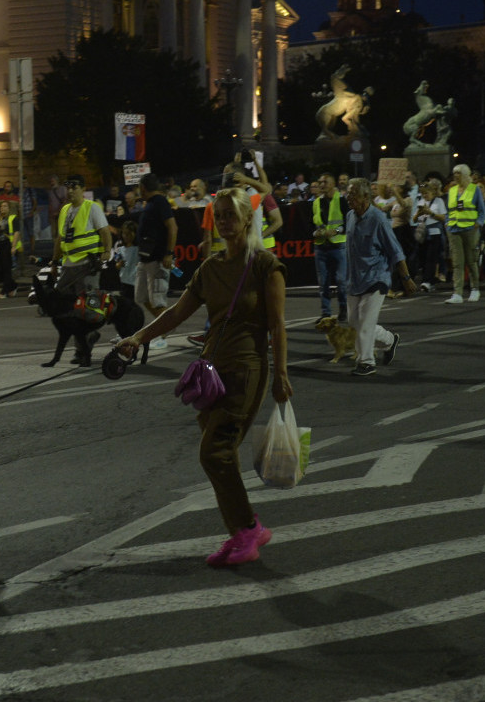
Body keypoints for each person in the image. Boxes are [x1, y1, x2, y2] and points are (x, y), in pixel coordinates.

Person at [115, 187, 290, 567]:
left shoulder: (265, 265)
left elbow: (277, 325)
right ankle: (245, 529)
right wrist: (138, 337)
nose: (224, 221)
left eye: (230, 214)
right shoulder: (210, 269)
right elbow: (177, 313)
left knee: (215, 452)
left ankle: (246, 532)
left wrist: (281, 375)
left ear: (247, 218)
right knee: (217, 455)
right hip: (211, 374)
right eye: (219, 215)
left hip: (247, 370)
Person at [343, 178, 415, 376]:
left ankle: (366, 362)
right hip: (354, 279)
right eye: (347, 194)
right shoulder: (350, 215)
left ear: (366, 197)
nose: (348, 198)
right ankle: (390, 340)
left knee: (365, 323)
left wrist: (406, 278)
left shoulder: (378, 219)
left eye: (353, 195)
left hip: (376, 278)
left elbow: (396, 251)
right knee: (354, 323)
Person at [135, 173, 177, 343]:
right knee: (142, 297)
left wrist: (168, 253)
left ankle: (164, 331)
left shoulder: (160, 202)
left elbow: (173, 228)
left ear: (143, 188)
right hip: (145, 259)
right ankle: (167, 324)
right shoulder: (151, 203)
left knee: (157, 300)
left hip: (157, 260)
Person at [53, 176, 111, 296]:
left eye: (74, 188)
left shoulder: (92, 207)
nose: (70, 191)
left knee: (87, 301)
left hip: (87, 264)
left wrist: (107, 251)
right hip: (68, 264)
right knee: (61, 299)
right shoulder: (64, 210)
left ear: (83, 189)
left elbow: (105, 231)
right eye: (68, 188)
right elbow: (60, 238)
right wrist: (54, 262)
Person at [444, 164, 485, 304]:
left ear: (465, 175)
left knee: (471, 260)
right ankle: (457, 293)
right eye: (454, 173)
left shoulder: (475, 190)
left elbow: (481, 210)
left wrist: (478, 223)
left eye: (458, 173)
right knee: (457, 262)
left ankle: (475, 289)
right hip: (454, 229)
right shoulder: (452, 190)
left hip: (470, 229)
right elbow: (449, 211)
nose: (455, 176)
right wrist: (447, 223)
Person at [311, 173, 348, 320]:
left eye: (325, 182)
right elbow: (312, 224)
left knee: (341, 281)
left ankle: (343, 308)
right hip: (321, 246)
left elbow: (348, 221)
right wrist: (316, 233)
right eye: (320, 182)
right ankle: (326, 313)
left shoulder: (341, 200)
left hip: (338, 246)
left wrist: (336, 231)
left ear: (333, 184)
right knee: (323, 283)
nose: (321, 185)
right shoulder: (316, 202)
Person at [412, 179, 447, 291]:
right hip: (422, 234)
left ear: (432, 193)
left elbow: (443, 218)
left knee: (431, 258)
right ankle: (427, 280)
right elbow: (414, 219)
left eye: (427, 193)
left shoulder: (439, 201)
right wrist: (419, 213)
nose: (425, 195)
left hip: (434, 233)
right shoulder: (420, 202)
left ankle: (428, 281)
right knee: (422, 258)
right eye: (423, 193)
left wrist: (430, 213)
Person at [0, 200, 20, 298]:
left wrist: (13, 246)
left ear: (9, 208)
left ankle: (4, 291)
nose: (3, 208)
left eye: (5, 206)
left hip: (7, 245)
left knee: (6, 268)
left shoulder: (13, 218)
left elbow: (16, 233)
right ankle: (13, 286)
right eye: (1, 206)